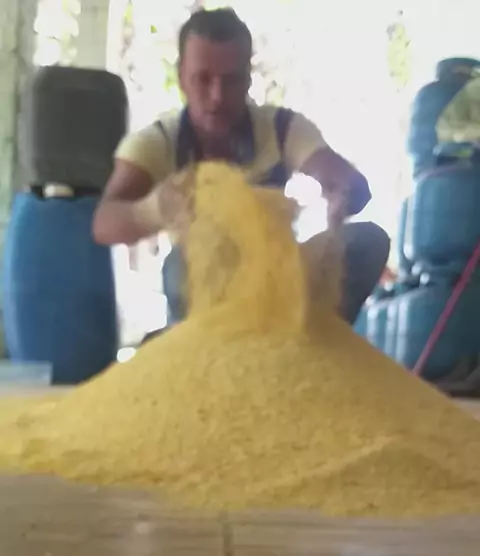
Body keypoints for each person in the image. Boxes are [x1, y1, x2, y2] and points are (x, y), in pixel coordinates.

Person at [93, 6, 390, 326]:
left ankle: (316, 337)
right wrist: (151, 211)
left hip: (279, 279)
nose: (217, 96)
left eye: (231, 80)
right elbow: (103, 223)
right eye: (203, 79)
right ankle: (204, 348)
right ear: (181, 77)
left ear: (248, 79)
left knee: (369, 241)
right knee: (179, 264)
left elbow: (351, 184)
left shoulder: (283, 129)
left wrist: (344, 192)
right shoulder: (158, 141)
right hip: (203, 293)